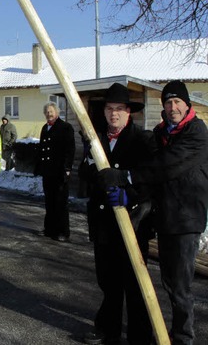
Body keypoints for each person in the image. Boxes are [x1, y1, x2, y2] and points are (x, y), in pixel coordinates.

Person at [99, 80, 208, 344]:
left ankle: (182, 338)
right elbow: (152, 171)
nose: (173, 107)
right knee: (168, 283)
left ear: (187, 104)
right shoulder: (161, 132)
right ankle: (165, 332)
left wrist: (127, 177)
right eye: (168, 102)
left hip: (186, 217)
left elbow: (167, 166)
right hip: (165, 215)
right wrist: (133, 194)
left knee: (180, 287)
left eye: (177, 102)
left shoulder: (197, 132)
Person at [83, 83, 155, 345]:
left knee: (135, 285)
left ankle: (140, 337)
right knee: (108, 283)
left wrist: (130, 197)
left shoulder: (142, 140)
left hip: (132, 223)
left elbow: (150, 180)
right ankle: (108, 329)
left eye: (119, 110)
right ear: (104, 112)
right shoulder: (96, 140)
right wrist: (96, 173)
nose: (114, 114)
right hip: (104, 224)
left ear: (129, 113)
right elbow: (85, 174)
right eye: (110, 109)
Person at [35, 102, 75, 242]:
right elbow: (42, 149)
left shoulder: (65, 127)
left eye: (51, 111)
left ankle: (63, 231)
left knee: (61, 202)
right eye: (46, 112)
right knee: (49, 201)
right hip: (48, 171)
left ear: (57, 112)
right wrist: (39, 167)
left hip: (60, 171)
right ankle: (49, 229)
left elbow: (70, 150)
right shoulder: (45, 128)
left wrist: (67, 168)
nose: (49, 114)